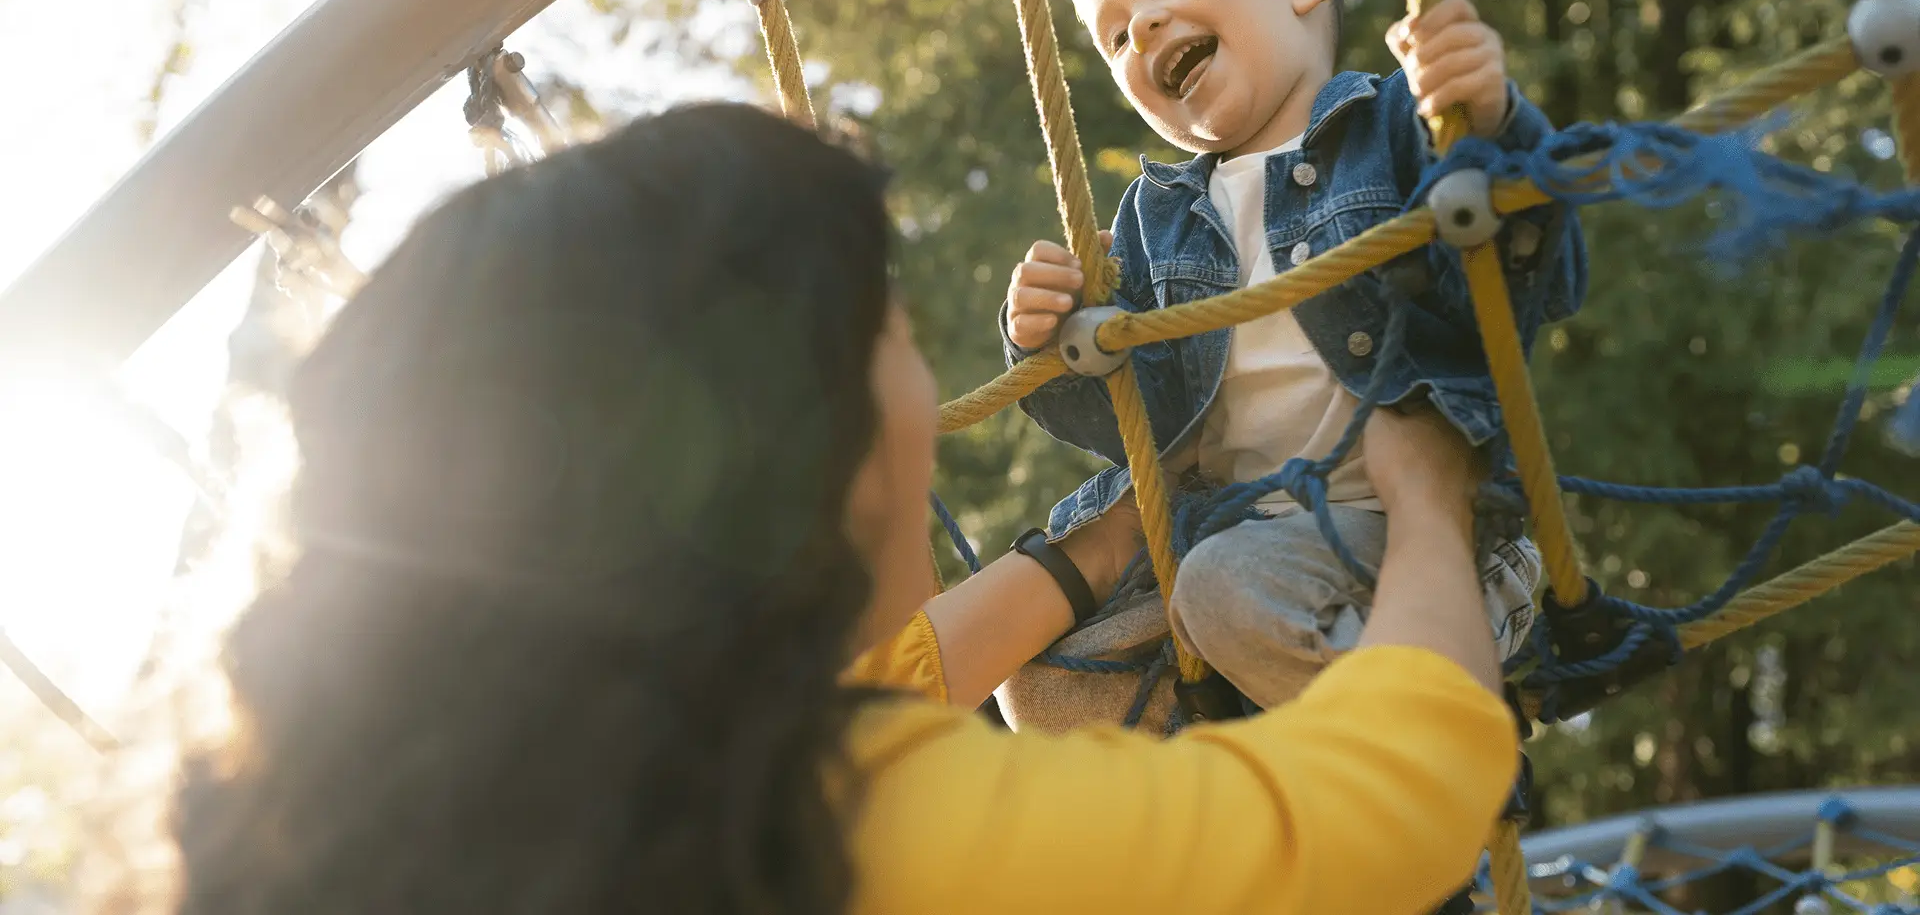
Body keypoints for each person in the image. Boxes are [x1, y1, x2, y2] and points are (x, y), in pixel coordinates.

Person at [168, 103, 1519, 915]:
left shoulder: (407, 816)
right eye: (899, 337)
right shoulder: (840, 828)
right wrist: (1428, 508)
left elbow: (905, 673)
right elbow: (1390, 802)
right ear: (818, 448)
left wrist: (1108, 536)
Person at [999, 0, 1588, 719]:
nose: (1146, 24)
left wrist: (1495, 129)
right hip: (1244, 543)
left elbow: (1538, 281)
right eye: (1117, 37)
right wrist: (1047, 337)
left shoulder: (1397, 125)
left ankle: (1433, 741)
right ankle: (1298, 766)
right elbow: (1134, 424)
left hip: (1413, 528)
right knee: (1037, 682)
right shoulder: (1153, 220)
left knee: (1224, 587)